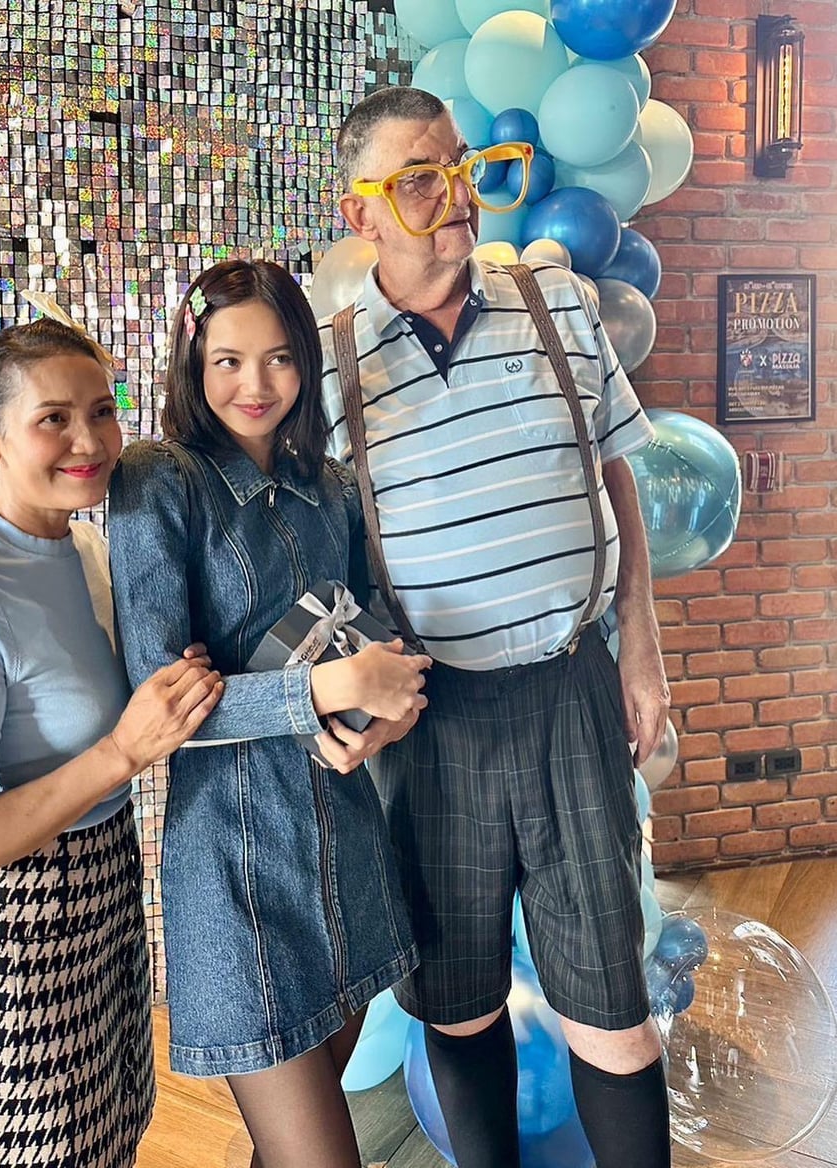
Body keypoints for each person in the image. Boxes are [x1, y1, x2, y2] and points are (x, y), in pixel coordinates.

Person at [318, 86, 673, 1168]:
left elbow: (615, 475)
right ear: (361, 213)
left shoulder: (556, 302)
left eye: (464, 167)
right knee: (458, 1003)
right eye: (420, 180)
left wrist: (642, 643)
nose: (459, 195)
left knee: (613, 1008)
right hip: (434, 721)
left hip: (571, 688)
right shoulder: (330, 364)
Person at [0, 318, 224, 1168]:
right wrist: (124, 751)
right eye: (53, 419)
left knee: (105, 1135)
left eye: (102, 412)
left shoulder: (92, 546)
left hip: (103, 897)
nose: (89, 442)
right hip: (8, 930)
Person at [108, 258, 431, 1168]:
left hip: (348, 849)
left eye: (280, 358)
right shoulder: (158, 481)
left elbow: (383, 629)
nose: (255, 384)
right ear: (193, 363)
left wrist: (390, 711)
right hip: (236, 868)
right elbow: (164, 708)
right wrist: (333, 687)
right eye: (228, 360)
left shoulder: (331, 486)